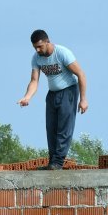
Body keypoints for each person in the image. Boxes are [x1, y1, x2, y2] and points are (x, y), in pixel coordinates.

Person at [17, 30, 88, 170]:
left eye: (40, 46)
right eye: (35, 47)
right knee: (51, 128)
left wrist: (83, 99)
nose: (38, 50)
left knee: (64, 128)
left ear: (47, 42)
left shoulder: (62, 53)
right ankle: (52, 163)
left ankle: (58, 163)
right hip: (52, 94)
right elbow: (34, 80)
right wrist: (27, 97)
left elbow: (81, 74)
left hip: (69, 91)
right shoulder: (36, 58)